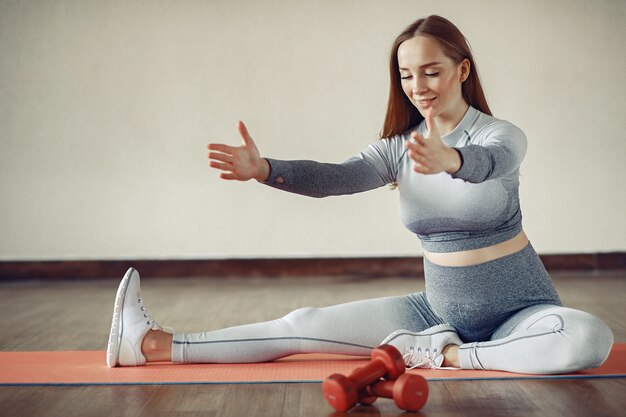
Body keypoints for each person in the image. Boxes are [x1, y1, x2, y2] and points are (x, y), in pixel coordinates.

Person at [106, 15, 613, 374]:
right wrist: (265, 170)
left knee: (589, 338)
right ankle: (150, 345)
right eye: (406, 74)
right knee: (302, 325)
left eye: (431, 71)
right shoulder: (400, 148)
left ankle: (448, 356)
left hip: (523, 312)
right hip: (435, 313)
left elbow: (493, 164)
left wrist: (452, 161)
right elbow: (338, 177)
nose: (418, 85)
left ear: (462, 70)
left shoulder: (500, 136)